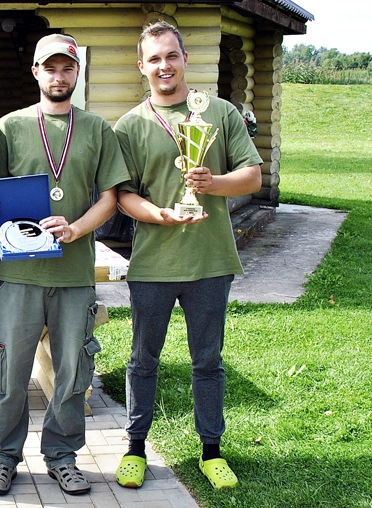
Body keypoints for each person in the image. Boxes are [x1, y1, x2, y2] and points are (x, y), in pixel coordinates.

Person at [0, 33, 130, 496]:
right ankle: (3, 458)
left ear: (76, 73)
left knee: (72, 372)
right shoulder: (10, 127)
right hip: (19, 275)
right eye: (51, 68)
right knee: (8, 372)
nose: (59, 76)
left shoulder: (98, 129)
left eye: (67, 68)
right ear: (36, 73)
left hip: (73, 274)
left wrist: (79, 228)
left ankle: (62, 456)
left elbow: (111, 197)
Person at [113, 21, 262, 490]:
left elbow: (253, 175)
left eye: (171, 56)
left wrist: (212, 185)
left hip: (210, 261)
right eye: (154, 59)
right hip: (153, 265)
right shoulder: (131, 125)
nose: (164, 66)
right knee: (142, 360)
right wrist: (157, 214)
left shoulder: (218, 112)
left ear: (184, 60)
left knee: (208, 362)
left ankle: (211, 450)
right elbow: (122, 195)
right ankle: (136, 447)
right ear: (142, 66)